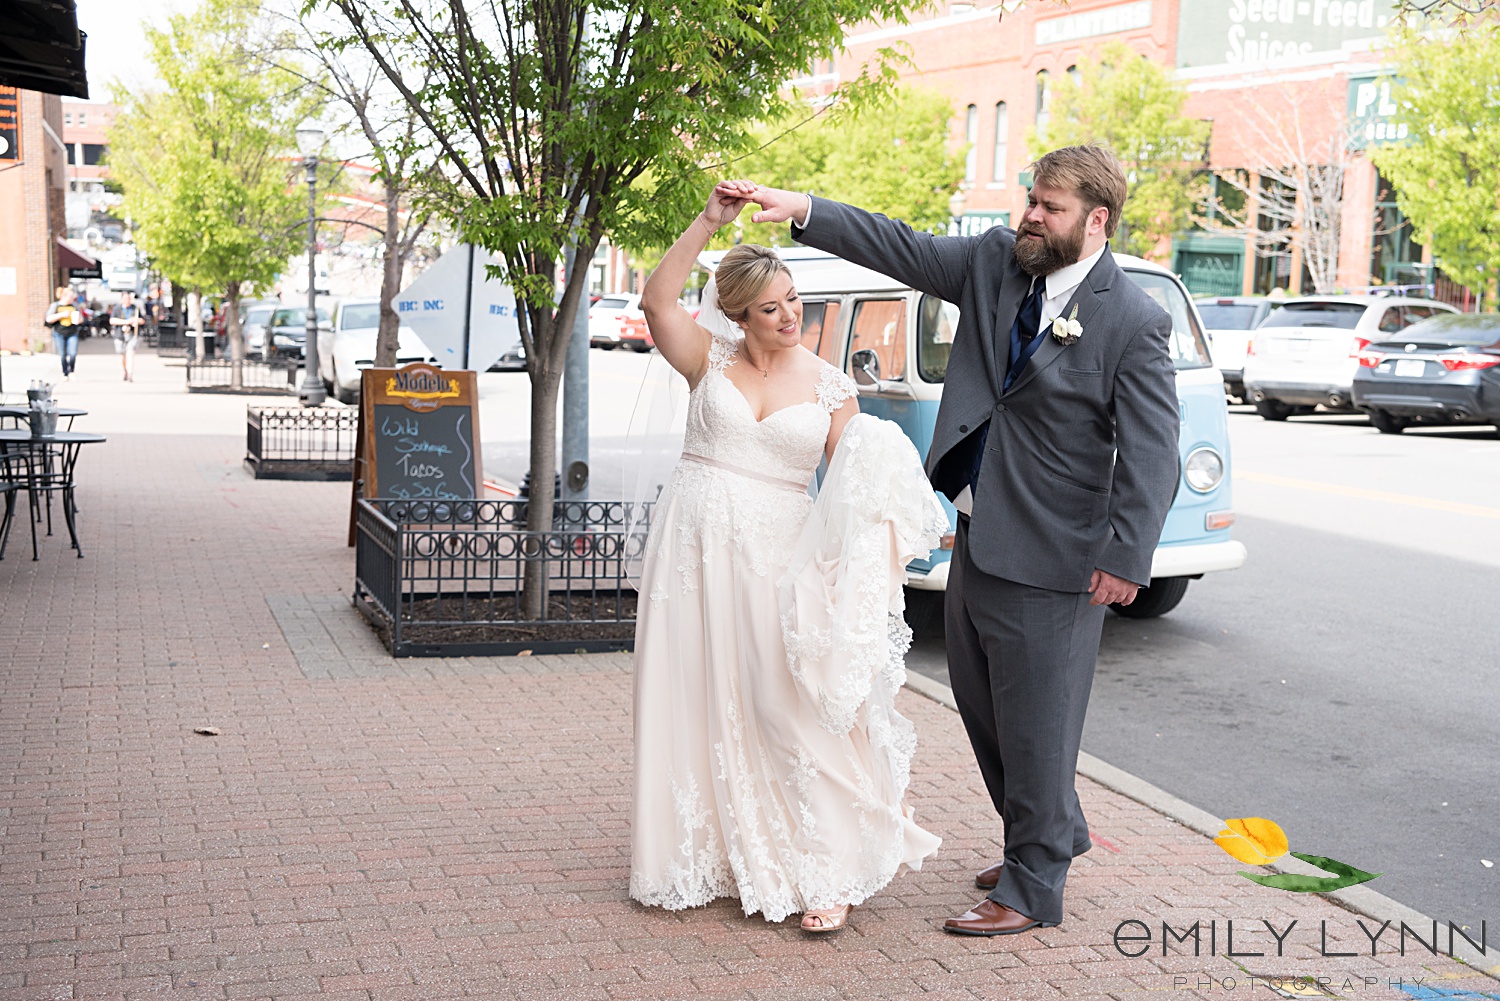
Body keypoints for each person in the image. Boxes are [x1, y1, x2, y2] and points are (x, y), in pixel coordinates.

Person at [746, 143, 1180, 936]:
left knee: (1039, 721)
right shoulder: (993, 264)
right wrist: (804, 208)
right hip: (977, 530)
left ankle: (1032, 884)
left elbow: (1153, 451)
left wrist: (1127, 555)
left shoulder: (1134, 320)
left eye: (1049, 206)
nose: (1030, 215)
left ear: (1096, 220)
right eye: (1031, 198)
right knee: (982, 705)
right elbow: (899, 244)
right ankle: (1052, 832)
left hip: (1061, 553)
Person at [629, 184, 945, 934]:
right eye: (770, 306)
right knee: (696, 690)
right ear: (738, 314)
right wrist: (707, 219)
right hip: (693, 550)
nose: (788, 315)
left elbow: (854, 484)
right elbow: (655, 299)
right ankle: (711, 854)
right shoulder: (707, 359)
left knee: (786, 703)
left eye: (793, 299)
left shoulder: (832, 387)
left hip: (780, 555)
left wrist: (867, 559)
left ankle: (824, 868)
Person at [44, 286, 83, 380]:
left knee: (73, 353)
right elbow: (48, 319)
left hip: (72, 332)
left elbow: (81, 318)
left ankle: (72, 371)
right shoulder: (56, 305)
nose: (72, 298)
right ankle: (65, 373)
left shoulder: (74, 306)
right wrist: (61, 315)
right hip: (59, 333)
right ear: (64, 296)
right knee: (62, 354)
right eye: (70, 296)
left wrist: (78, 320)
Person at [110, 291, 145, 382]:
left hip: (132, 334)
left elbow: (142, 320)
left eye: (129, 298)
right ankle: (125, 370)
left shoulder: (135, 309)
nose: (127, 300)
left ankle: (130, 373)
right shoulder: (117, 309)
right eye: (125, 298)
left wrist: (136, 320)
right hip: (120, 334)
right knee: (122, 354)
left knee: (130, 352)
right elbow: (112, 320)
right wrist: (126, 322)